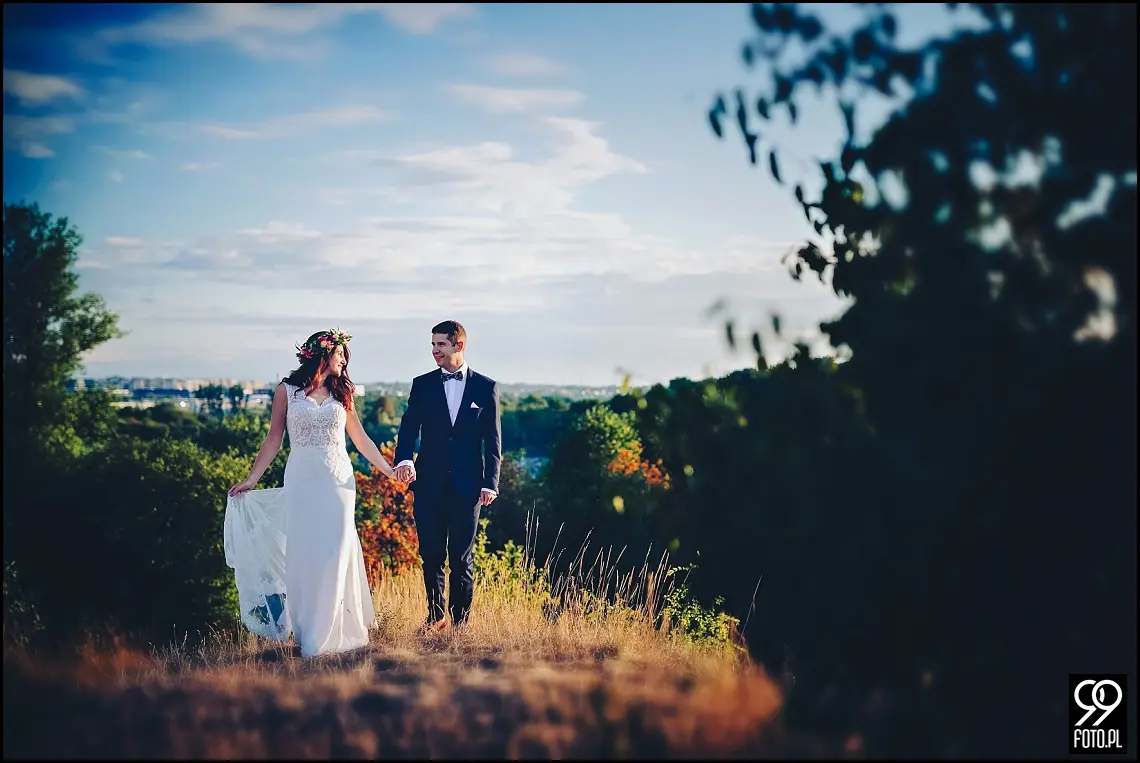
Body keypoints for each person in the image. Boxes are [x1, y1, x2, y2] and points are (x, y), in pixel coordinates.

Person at [225, 329, 402, 658]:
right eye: (340, 353)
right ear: (322, 353)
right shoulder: (286, 391)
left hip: (338, 482)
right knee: (305, 554)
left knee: (337, 550)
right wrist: (251, 479)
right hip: (301, 481)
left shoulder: (343, 391)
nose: (344, 360)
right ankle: (310, 634)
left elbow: (360, 438)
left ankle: (336, 632)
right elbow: (273, 439)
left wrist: (388, 470)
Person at [394, 320, 502, 632]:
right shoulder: (422, 384)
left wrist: (490, 483)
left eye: (440, 344)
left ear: (459, 345)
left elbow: (493, 441)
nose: (434, 350)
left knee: (461, 560)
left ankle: (460, 625)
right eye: (433, 344)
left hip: (468, 488)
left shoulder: (486, 387)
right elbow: (408, 429)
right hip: (428, 485)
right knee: (430, 556)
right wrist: (404, 459)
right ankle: (435, 618)